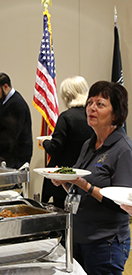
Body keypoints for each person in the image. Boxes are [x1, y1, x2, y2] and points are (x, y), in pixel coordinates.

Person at [51, 81, 132, 275]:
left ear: (115, 114)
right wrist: (63, 182)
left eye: (100, 104)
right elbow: (80, 186)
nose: (91, 108)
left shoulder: (123, 149)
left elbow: (120, 203)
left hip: (105, 242)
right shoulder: (89, 143)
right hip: (81, 237)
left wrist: (85, 185)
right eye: (89, 103)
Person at [41, 76, 93, 208]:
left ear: (67, 96)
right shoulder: (93, 117)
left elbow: (55, 148)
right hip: (86, 174)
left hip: (64, 175)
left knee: (62, 217)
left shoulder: (66, 117)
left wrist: (44, 143)